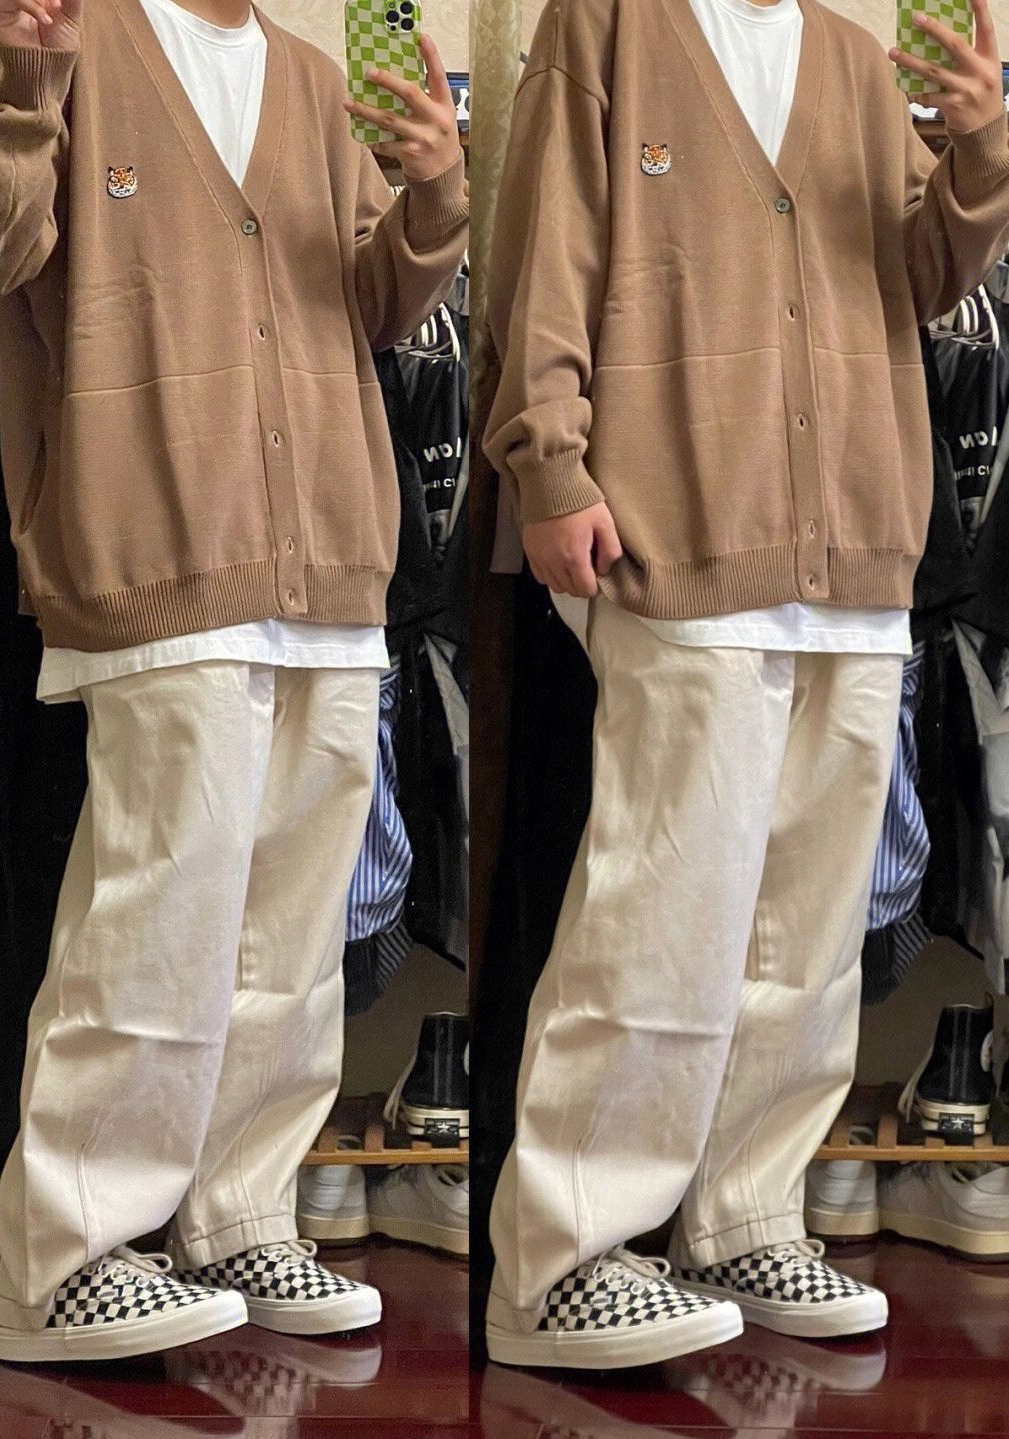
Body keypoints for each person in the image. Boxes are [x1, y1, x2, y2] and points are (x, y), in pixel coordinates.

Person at [0, 0, 467, 1364]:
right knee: (155, 924)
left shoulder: (314, 80)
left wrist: (432, 194)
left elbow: (377, 307)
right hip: (158, 556)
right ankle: (65, 1260)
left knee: (290, 943)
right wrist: (27, 82)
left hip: (329, 571)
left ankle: (236, 1215)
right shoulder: (81, 43)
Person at [482, 0, 1009, 1370]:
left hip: (857, 549)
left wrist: (982, 147)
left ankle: (746, 1214)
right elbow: (545, 256)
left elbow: (924, 275)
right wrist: (549, 463)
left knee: (809, 937)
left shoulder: (853, 58)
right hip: (681, 534)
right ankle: (564, 1260)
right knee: (659, 915)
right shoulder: (606, 25)